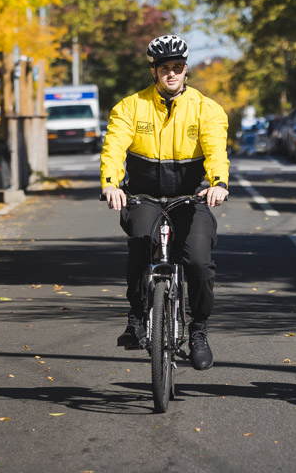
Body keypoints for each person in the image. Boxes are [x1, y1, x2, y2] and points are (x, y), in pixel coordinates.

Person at [100, 34, 230, 370]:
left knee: (199, 262)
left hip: (191, 197)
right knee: (140, 244)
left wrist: (218, 183)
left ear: (186, 71)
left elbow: (216, 151)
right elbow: (113, 148)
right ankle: (136, 317)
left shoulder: (207, 109)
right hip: (144, 196)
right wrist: (111, 184)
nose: (171, 74)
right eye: (164, 69)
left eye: (177, 68)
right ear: (154, 72)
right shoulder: (130, 107)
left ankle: (199, 330)